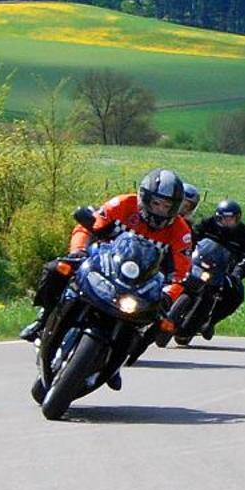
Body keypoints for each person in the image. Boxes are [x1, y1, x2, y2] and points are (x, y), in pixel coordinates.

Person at [21, 167, 195, 389]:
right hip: (102, 266)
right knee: (58, 269)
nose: (160, 210)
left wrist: (168, 295)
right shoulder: (122, 204)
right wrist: (78, 252)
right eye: (157, 203)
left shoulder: (181, 231)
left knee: (161, 322)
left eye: (167, 206)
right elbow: (88, 226)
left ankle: (116, 361)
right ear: (145, 198)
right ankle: (43, 319)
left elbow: (182, 273)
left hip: (142, 285)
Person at [185, 197, 245, 339]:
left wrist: (237, 274)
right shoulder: (208, 223)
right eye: (225, 218)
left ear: (238, 219)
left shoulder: (244, 234)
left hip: (223, 271)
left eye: (232, 219)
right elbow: (191, 237)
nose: (228, 222)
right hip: (198, 262)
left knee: (237, 295)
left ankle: (211, 321)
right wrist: (186, 252)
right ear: (218, 217)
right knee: (173, 273)